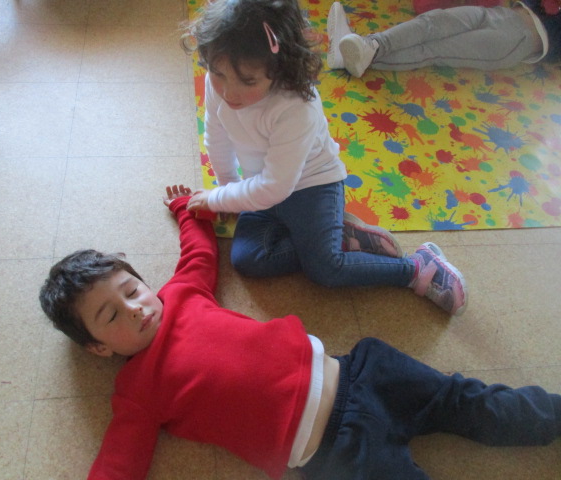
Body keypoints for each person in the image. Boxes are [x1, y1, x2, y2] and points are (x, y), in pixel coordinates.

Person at [38, 185, 561, 480]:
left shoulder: (179, 294)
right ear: (98, 348)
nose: (134, 309)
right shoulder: (137, 391)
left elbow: (197, 254)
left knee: (467, 399)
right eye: (111, 316)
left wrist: (188, 211)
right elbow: (119, 462)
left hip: (363, 371)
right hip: (336, 453)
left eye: (132, 290)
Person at [181, 0, 468, 316]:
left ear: (280, 68)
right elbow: (216, 138)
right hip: (262, 188)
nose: (228, 92)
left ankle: (416, 268)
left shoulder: (295, 105)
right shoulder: (220, 78)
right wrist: (227, 187)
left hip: (312, 187)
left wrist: (219, 198)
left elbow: (275, 186)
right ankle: (340, 237)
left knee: (325, 269)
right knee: (248, 260)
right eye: (218, 74)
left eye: (248, 81)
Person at [326, 0, 555, 78]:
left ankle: (351, 57)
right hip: (500, 12)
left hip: (518, 39)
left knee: (435, 49)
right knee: (433, 21)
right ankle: (370, 44)